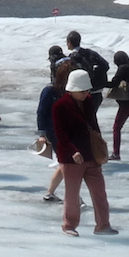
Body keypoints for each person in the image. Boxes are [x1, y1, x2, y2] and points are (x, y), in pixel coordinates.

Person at [53, 71, 116, 235]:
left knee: (99, 192)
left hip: (91, 155)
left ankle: (103, 225)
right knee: (72, 195)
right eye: (82, 91)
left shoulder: (88, 101)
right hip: (71, 158)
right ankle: (69, 225)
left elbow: (94, 125)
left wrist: (99, 146)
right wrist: (73, 151)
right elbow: (61, 134)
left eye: (87, 90)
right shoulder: (59, 106)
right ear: (72, 90)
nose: (85, 93)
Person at [37, 59, 72, 202]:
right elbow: (41, 112)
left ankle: (50, 193)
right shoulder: (50, 90)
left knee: (66, 163)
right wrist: (42, 134)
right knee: (68, 163)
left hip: (68, 131)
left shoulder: (70, 90)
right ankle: (74, 197)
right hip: (54, 131)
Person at [66, 30, 110, 120]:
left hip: (82, 94)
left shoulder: (73, 57)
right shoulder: (90, 53)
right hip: (97, 92)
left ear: (69, 43)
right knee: (91, 119)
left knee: (82, 120)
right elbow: (105, 65)